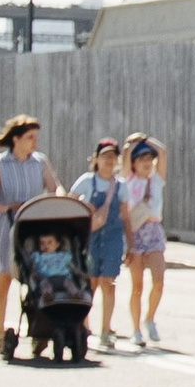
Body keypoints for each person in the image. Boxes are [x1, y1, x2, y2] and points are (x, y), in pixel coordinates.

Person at [0, 118, 55, 359]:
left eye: (36, 137)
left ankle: (39, 329)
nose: (34, 142)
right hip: (7, 226)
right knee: (4, 278)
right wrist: (9, 206)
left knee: (38, 279)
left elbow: (54, 188)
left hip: (34, 227)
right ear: (16, 139)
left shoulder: (40, 162)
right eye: (29, 137)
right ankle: (1, 332)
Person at [72, 138, 131, 346]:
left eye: (113, 157)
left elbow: (125, 217)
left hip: (113, 238)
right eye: (105, 156)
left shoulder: (121, 186)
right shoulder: (86, 182)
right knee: (90, 283)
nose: (109, 160)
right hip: (90, 239)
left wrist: (130, 245)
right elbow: (71, 207)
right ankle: (84, 326)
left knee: (108, 282)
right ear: (96, 159)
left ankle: (106, 329)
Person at [119, 137, 168, 346]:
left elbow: (163, 152)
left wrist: (147, 138)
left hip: (153, 230)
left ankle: (150, 318)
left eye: (149, 158)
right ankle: (136, 329)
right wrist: (132, 143)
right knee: (137, 285)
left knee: (158, 280)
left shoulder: (156, 180)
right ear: (133, 163)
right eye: (141, 159)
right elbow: (126, 154)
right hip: (134, 231)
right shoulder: (128, 180)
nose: (146, 162)